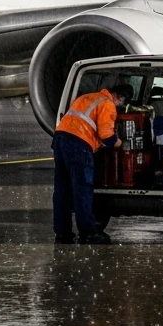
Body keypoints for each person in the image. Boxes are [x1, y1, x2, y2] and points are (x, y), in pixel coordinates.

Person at [52, 84, 132, 244]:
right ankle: (88, 232)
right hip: (78, 144)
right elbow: (106, 135)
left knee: (62, 189)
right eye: (121, 103)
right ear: (119, 97)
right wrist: (120, 144)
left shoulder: (87, 97)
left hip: (60, 139)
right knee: (82, 188)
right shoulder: (107, 104)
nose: (119, 107)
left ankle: (62, 232)